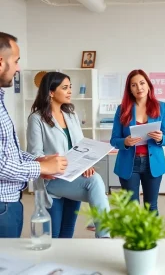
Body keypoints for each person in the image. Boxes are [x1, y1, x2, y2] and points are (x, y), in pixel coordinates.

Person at [27, 71, 110, 238]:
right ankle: (104, 234)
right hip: (53, 181)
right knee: (54, 235)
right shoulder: (36, 119)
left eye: (70, 87)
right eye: (65, 88)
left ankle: (102, 227)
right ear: (51, 92)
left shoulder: (71, 114)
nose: (70, 91)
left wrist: (87, 165)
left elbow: (81, 145)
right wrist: (54, 164)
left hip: (74, 176)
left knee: (67, 232)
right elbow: (34, 154)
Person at [0, 32, 67, 238]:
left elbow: (8, 152)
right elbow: (2, 164)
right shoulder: (36, 117)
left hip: (10, 201)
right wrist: (41, 166)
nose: (18, 68)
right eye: (16, 61)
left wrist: (38, 160)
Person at [110, 69, 165, 212]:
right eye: (134, 85)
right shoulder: (122, 109)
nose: (139, 88)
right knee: (131, 209)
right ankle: (133, 235)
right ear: (129, 89)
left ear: (148, 85)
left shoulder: (161, 107)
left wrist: (161, 138)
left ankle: (151, 236)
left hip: (153, 163)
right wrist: (125, 142)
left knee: (151, 206)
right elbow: (114, 140)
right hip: (129, 164)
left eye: (142, 83)